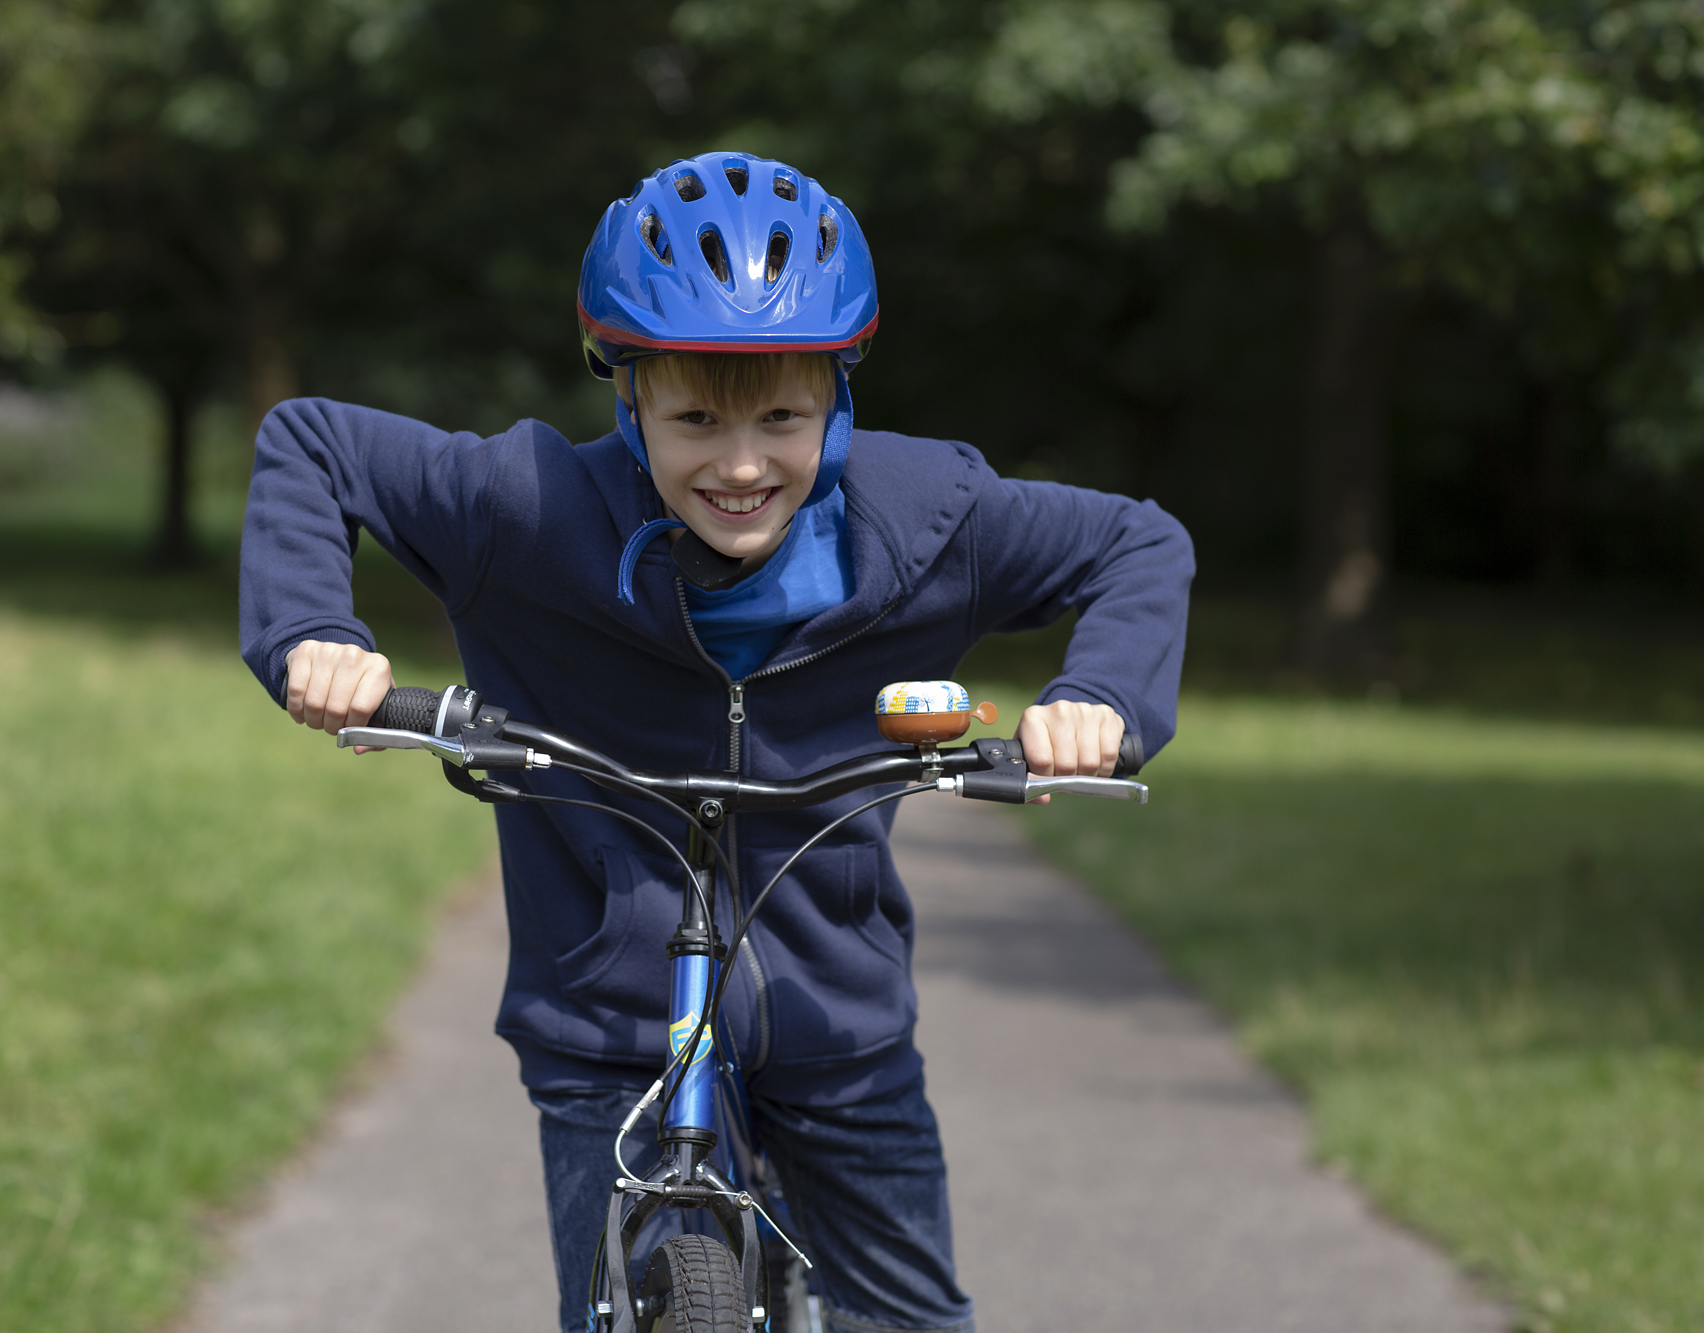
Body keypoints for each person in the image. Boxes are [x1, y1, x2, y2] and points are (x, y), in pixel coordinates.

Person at [238, 151, 1192, 1333]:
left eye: (781, 418)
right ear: (627, 400)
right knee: (615, 1308)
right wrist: (313, 631)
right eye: (694, 418)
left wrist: (1099, 696)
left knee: (904, 1317)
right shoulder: (527, 511)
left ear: (836, 400)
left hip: (833, 1013)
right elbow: (313, 444)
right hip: (607, 1022)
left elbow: (1137, 544)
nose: (740, 466)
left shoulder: (926, 521)